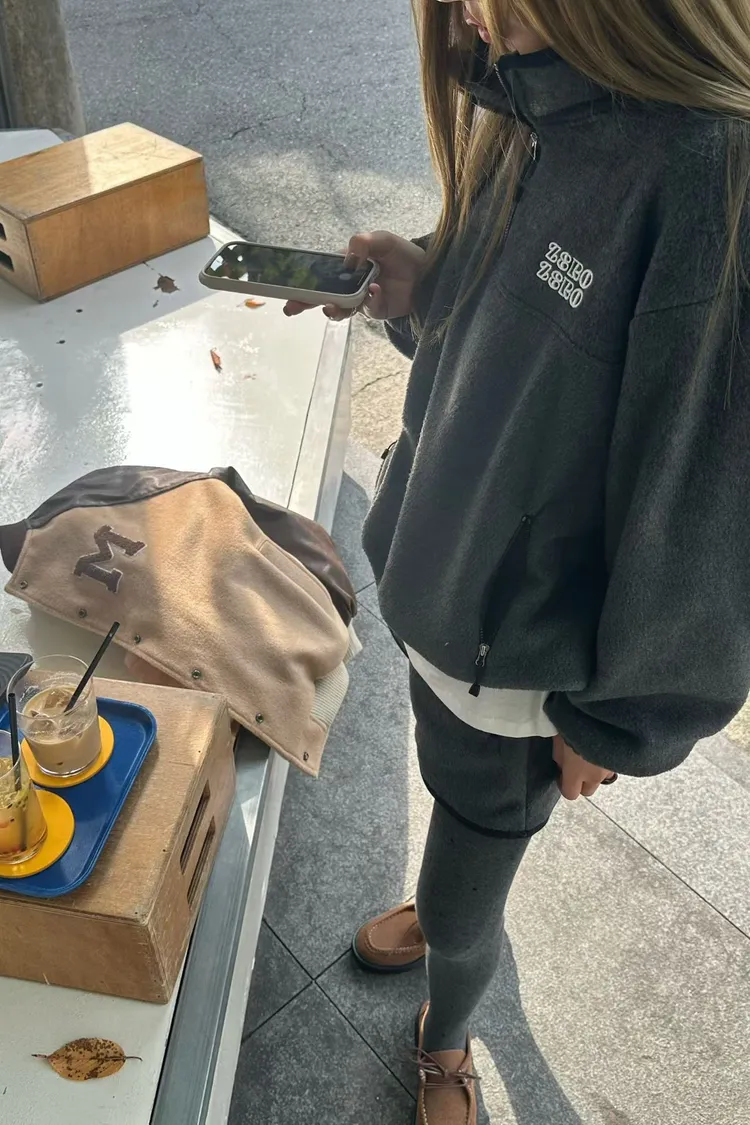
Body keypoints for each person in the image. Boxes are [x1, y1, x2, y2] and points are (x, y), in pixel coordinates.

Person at [287, 2, 750, 1122]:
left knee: (471, 882)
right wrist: (424, 285)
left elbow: (706, 501)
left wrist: (623, 720)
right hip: (441, 580)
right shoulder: (528, 94)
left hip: (521, 658)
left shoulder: (707, 169)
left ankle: (445, 1041)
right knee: (458, 809)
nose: (471, 14)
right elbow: (525, 334)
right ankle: (445, 900)